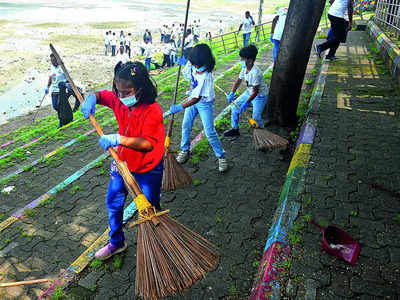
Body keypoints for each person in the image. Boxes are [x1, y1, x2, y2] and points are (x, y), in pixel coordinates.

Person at [80, 62, 165, 260]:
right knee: (114, 203)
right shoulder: (119, 99)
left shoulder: (152, 110)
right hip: (122, 162)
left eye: (126, 92)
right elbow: (101, 95)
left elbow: (147, 144)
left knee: (150, 207)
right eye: (118, 91)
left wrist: (119, 140)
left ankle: (157, 242)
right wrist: (91, 98)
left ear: (141, 88)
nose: (120, 97)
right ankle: (116, 242)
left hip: (148, 167)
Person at [168, 44, 228, 172]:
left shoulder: (206, 76)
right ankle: (185, 149)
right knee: (186, 124)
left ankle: (221, 156)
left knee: (209, 131)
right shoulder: (195, 63)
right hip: (192, 98)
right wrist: (184, 60)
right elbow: (188, 73)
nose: (193, 65)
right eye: (192, 62)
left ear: (203, 62)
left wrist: (180, 107)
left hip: (204, 102)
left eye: (195, 63)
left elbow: (197, 99)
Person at [223, 45, 268, 137]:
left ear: (250, 60)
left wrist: (246, 103)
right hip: (249, 92)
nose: (241, 61)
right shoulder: (244, 68)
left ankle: (263, 134)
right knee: (234, 108)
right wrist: (232, 92)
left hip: (259, 96)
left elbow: (255, 92)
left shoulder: (256, 73)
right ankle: (235, 129)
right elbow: (238, 80)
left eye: (242, 59)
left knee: (256, 117)